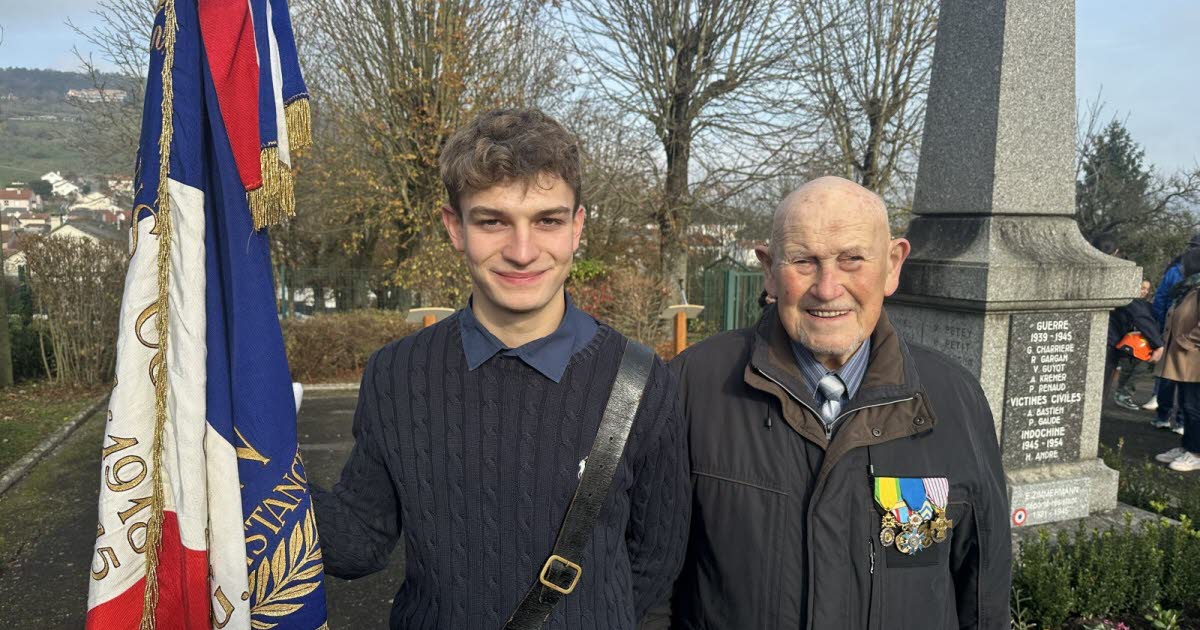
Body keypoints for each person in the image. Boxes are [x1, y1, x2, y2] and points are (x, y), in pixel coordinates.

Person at [310, 108, 689, 629]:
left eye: (548, 220)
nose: (522, 251)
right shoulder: (396, 374)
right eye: (493, 221)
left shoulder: (640, 381)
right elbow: (359, 544)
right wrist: (245, 469)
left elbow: (657, 559)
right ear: (455, 228)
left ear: (577, 228)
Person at [664, 176, 1010, 628]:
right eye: (804, 261)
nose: (827, 288)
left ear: (892, 264)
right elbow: (651, 586)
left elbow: (983, 592)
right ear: (769, 270)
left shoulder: (955, 400)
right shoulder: (694, 386)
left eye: (852, 260)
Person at [1154, 248, 1200, 471]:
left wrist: (1186, 341)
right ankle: (1187, 447)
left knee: (1194, 406)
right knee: (1185, 403)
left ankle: (1196, 452)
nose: (1181, 267)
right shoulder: (1188, 288)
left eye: (1185, 263)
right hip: (1183, 358)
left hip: (1193, 358)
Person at [1144, 234, 1200, 413]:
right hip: (1177, 329)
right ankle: (1171, 414)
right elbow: (1160, 299)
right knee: (1177, 376)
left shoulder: (1176, 269)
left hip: (1180, 331)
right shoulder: (1176, 270)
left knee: (1175, 375)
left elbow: (1161, 298)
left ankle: (1167, 412)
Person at [1107, 279, 1164, 411]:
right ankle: (1123, 394)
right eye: (1142, 287)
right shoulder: (1133, 304)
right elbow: (1143, 320)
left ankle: (1123, 394)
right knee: (1130, 369)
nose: (1144, 291)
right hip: (1129, 343)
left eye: (1146, 289)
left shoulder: (1146, 305)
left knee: (1136, 369)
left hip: (1139, 343)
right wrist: (1157, 343)